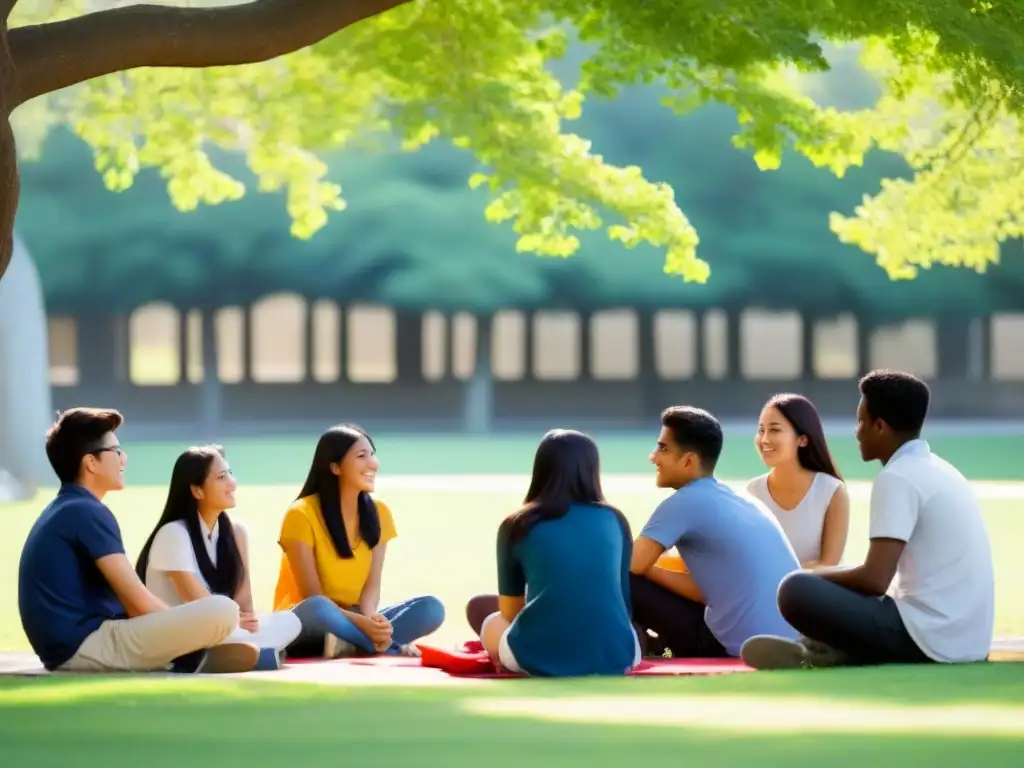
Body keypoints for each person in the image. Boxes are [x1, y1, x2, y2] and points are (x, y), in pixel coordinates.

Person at [741, 370, 996, 670]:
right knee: (822, 586)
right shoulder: (941, 470)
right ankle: (831, 652)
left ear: (880, 426)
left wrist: (810, 576)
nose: (856, 432)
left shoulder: (898, 478)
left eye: (861, 421)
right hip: (968, 642)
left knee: (795, 589)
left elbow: (874, 580)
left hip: (929, 640)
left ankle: (822, 650)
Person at [18, 408, 258, 674]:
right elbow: (138, 603)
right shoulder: (86, 512)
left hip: (75, 644)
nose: (124, 458)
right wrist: (188, 631)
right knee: (222, 610)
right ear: (91, 463)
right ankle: (191, 655)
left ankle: (191, 656)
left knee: (216, 614)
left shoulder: (70, 507)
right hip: (86, 645)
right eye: (116, 451)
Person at [629, 406, 801, 658]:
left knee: (618, 575)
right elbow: (704, 590)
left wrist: (647, 567)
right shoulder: (738, 497)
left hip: (732, 647)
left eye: (663, 448)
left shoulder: (684, 502)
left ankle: (628, 644)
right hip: (789, 639)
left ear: (688, 461)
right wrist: (652, 569)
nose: (653, 457)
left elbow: (632, 564)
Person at [464, 429, 640, 677]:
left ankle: (513, 662)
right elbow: (623, 601)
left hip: (535, 655)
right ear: (592, 470)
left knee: (492, 622)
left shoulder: (516, 524)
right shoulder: (615, 519)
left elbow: (510, 612)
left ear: (541, 469)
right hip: (620, 656)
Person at [274, 424, 445, 658]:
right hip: (307, 621)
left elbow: (372, 585)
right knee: (320, 606)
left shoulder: (379, 512)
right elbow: (311, 595)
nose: (372, 463)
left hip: (354, 619)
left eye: (372, 455)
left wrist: (371, 618)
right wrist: (364, 625)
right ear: (335, 467)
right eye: (361, 456)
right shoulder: (300, 514)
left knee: (431, 608)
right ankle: (384, 647)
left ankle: (354, 644)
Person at [136, 445, 302, 671]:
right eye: (221, 477)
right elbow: (201, 605)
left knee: (289, 622)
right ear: (197, 491)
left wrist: (246, 622)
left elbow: (246, 605)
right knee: (224, 617)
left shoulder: (237, 532)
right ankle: (249, 656)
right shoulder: (173, 533)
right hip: (184, 634)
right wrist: (233, 622)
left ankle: (241, 656)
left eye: (230, 474)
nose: (232, 483)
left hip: (227, 629)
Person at [746, 393, 849, 568]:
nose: (764, 439)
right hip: (763, 593)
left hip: (814, 592)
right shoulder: (752, 491)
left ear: (802, 439)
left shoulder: (832, 491)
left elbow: (828, 564)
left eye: (775, 430)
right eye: (761, 430)